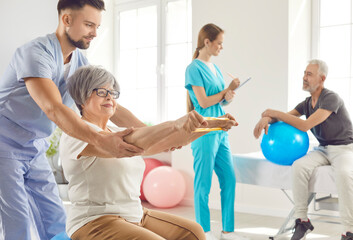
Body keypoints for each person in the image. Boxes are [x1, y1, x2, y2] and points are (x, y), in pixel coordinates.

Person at [0, 1, 147, 239]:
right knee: (18, 220)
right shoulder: (35, 53)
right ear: (66, 20)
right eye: (89, 24)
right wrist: (101, 140)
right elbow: (54, 108)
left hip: (36, 146)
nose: (95, 33)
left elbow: (110, 105)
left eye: (97, 26)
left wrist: (158, 133)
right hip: (4, 144)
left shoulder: (80, 63)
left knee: (56, 220)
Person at [59, 65, 238, 240]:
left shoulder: (114, 130)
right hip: (95, 220)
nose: (109, 97)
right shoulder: (78, 134)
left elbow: (167, 142)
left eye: (112, 92)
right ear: (81, 97)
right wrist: (175, 123)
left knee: (193, 232)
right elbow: (129, 141)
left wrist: (214, 124)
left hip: (135, 214)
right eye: (101, 92)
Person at [253, 59, 353, 240]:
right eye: (304, 73)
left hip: (345, 149)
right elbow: (285, 117)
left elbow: (305, 125)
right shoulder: (307, 103)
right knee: (299, 166)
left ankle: (349, 230)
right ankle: (302, 220)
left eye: (309, 74)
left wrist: (273, 112)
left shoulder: (331, 98)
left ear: (322, 79)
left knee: (344, 174)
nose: (304, 78)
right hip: (323, 149)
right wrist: (267, 119)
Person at [185, 23, 248, 240]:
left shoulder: (216, 69)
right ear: (207, 42)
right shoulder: (193, 68)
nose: (221, 47)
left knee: (229, 179)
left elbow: (220, 102)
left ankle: (227, 231)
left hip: (221, 128)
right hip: (203, 131)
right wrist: (225, 91)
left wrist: (229, 95)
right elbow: (202, 102)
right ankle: (204, 231)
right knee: (203, 183)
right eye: (219, 43)